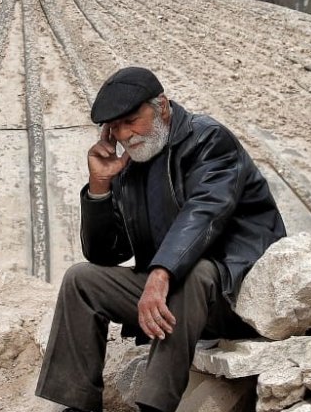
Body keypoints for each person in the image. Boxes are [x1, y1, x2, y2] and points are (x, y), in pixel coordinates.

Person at [35, 66, 287, 412]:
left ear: (162, 107)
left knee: (194, 272)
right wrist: (100, 187)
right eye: (115, 127)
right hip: (175, 296)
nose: (125, 134)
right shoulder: (131, 164)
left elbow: (203, 214)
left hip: (237, 296)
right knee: (81, 280)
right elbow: (105, 253)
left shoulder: (209, 140)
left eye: (131, 120)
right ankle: (77, 405)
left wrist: (160, 274)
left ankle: (154, 407)